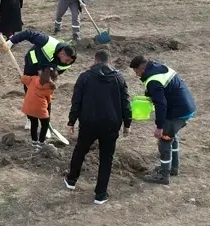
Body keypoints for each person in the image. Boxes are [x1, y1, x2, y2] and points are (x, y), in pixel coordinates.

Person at [65, 50, 132, 204]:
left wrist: (71, 121)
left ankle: (71, 180)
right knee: (106, 158)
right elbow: (125, 103)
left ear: (95, 60)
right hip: (111, 124)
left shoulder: (85, 77)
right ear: (109, 61)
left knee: (80, 150)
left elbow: (76, 101)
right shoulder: (119, 78)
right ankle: (100, 194)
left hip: (89, 123)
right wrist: (127, 124)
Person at [129, 56, 197, 185]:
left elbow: (161, 104)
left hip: (177, 112)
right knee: (172, 136)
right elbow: (162, 90)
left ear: (142, 68)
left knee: (164, 140)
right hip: (187, 107)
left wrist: (159, 126)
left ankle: (163, 175)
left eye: (136, 72)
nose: (137, 75)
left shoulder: (153, 80)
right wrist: (149, 94)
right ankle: (173, 168)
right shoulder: (158, 68)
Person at [5, 30, 77, 77]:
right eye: (67, 60)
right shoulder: (46, 42)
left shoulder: (68, 63)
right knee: (29, 84)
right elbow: (28, 33)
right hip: (32, 62)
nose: (68, 63)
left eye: (70, 62)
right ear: (62, 54)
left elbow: (58, 73)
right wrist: (11, 41)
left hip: (46, 70)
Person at [22, 68, 57, 149]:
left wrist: (22, 77)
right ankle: (41, 142)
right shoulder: (50, 87)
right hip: (40, 109)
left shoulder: (34, 79)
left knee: (34, 124)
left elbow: (23, 79)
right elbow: (48, 100)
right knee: (45, 124)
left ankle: (34, 142)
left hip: (28, 108)